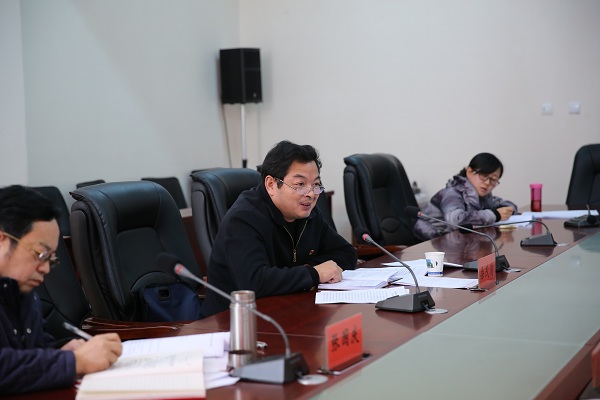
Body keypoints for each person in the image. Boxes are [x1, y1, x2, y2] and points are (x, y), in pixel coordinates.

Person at [202, 140, 357, 316]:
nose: (310, 194)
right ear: (271, 185)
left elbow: (346, 253)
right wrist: (313, 274)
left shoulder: (309, 214)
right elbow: (254, 282)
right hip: (232, 321)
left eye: (315, 185)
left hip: (287, 309)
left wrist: (308, 269)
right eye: (300, 184)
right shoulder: (242, 219)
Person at [0, 185, 123, 394]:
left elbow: (33, 348)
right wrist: (72, 362)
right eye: (40, 255)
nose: (46, 269)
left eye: (50, 258)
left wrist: (60, 351)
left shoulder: (21, 290)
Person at [413, 152, 518, 241]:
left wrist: (505, 211)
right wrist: (494, 214)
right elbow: (455, 221)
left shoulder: (483, 196)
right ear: (469, 171)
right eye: (484, 176)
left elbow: (510, 205)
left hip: (458, 242)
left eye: (493, 179)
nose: (487, 183)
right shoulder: (452, 193)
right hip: (429, 244)